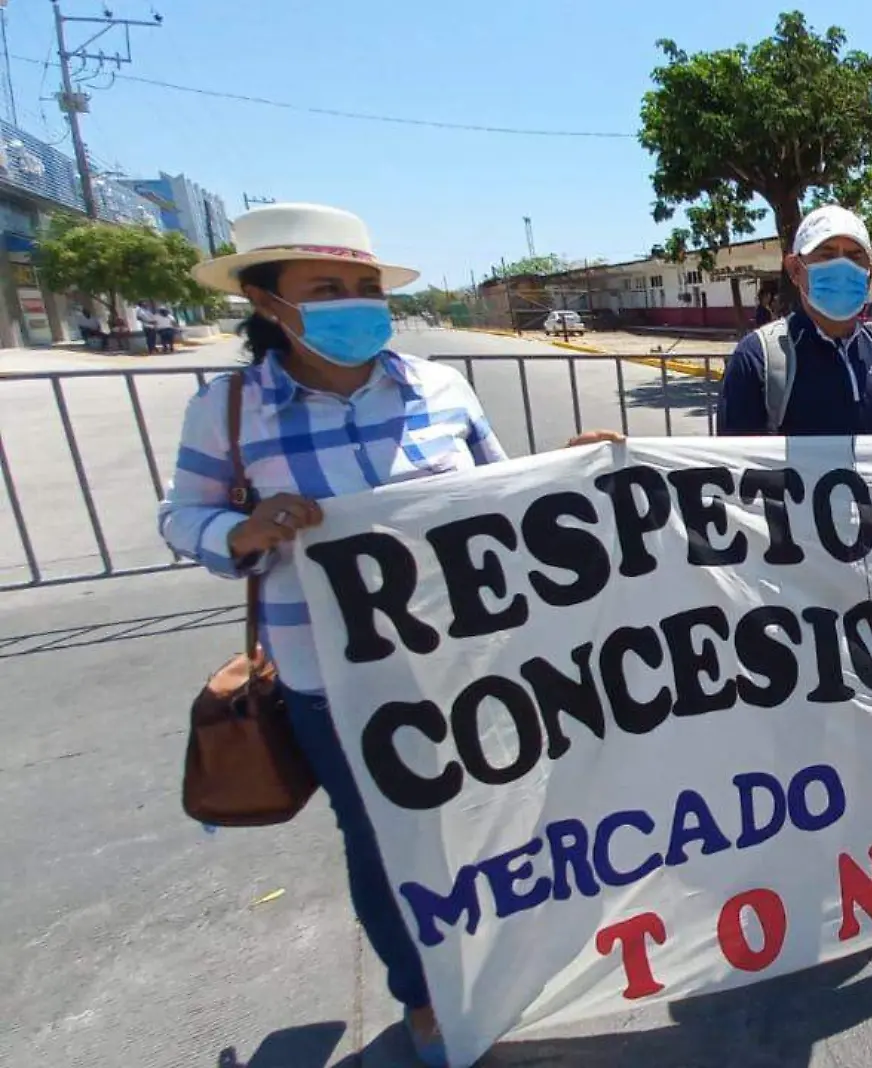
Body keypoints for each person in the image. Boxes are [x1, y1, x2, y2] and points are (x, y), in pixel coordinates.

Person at [155, 203, 622, 1068]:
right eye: (326, 288)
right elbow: (181, 518)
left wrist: (573, 468)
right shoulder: (227, 410)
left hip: (459, 664)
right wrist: (241, 534)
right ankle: (425, 996)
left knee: (484, 820)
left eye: (365, 287)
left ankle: (491, 961)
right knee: (382, 841)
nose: (354, 303)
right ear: (267, 304)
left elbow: (499, 498)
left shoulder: (438, 389)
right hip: (328, 680)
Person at [717, 205, 872, 436]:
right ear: (795, 270)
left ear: (869, 275)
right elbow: (736, 464)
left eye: (854, 256)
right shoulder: (757, 358)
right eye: (827, 255)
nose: (842, 266)